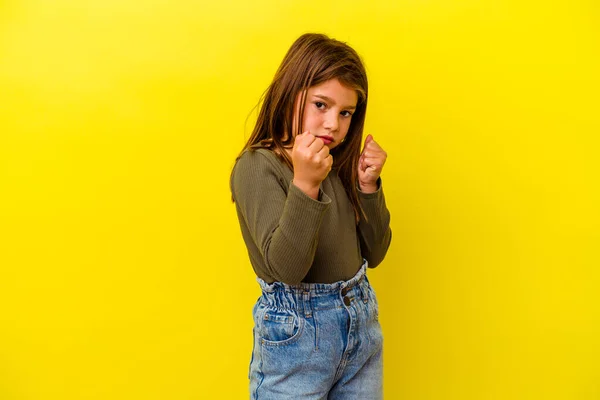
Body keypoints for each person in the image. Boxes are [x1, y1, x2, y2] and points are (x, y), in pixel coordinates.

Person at [230, 32, 392, 399]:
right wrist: (304, 184)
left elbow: (376, 253)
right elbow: (287, 269)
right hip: (297, 337)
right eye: (321, 105)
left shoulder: (335, 165)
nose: (333, 124)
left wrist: (368, 186)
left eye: (345, 112)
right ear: (290, 92)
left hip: (359, 323)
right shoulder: (259, 166)